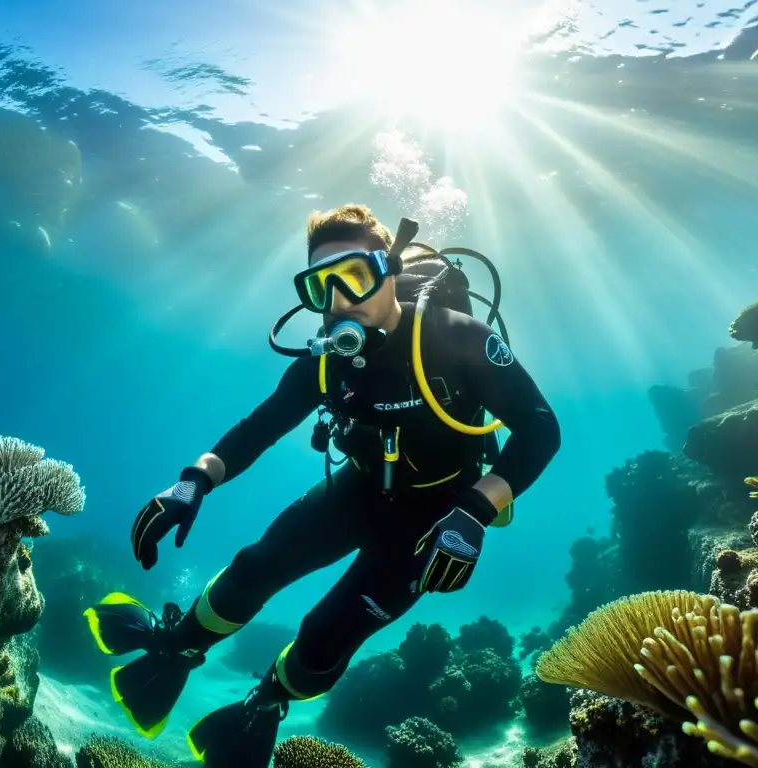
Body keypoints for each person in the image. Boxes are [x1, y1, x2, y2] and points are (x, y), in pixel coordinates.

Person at [85, 204, 561, 767]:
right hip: (356, 491)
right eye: (320, 287)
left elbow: (540, 428)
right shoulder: (328, 362)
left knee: (326, 635)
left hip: (435, 518)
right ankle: (180, 646)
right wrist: (192, 481)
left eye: (354, 277)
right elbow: (257, 428)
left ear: (388, 267)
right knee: (254, 567)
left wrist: (476, 512)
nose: (339, 301)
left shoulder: (458, 339)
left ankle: (266, 703)